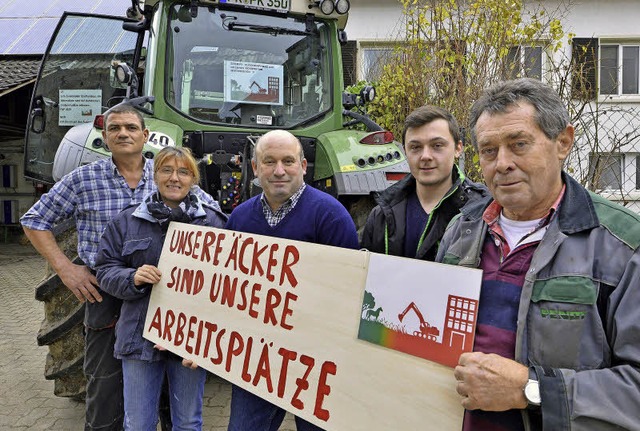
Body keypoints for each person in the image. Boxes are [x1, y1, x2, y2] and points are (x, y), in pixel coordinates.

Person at [435, 78, 640, 430]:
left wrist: (531, 390)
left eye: (519, 145)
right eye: (488, 150)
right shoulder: (460, 230)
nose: (502, 163)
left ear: (563, 142)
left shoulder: (622, 245)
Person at [20, 102, 219, 430]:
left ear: (145, 135)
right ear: (104, 136)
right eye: (115, 128)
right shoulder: (83, 178)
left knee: (174, 387)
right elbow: (34, 220)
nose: (123, 134)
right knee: (105, 384)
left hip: (164, 292)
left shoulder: (166, 173)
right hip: (104, 290)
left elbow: (212, 215)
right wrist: (66, 270)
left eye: (130, 128)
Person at [225, 129, 359, 431]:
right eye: (269, 162)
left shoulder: (331, 216)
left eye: (288, 161)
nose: (279, 170)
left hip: (315, 360)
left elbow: (348, 291)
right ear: (256, 168)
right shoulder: (240, 219)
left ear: (303, 166)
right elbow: (228, 290)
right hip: (255, 358)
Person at [95, 146, 226, 430]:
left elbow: (227, 286)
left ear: (193, 179)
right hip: (138, 338)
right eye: (166, 170)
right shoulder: (127, 221)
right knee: (139, 423)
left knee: (188, 423)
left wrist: (208, 341)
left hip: (192, 340)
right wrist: (132, 277)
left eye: (183, 172)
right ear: (154, 176)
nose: (174, 178)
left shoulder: (214, 223)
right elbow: (105, 269)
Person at [360, 105, 487, 259]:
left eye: (437, 145)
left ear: (458, 148)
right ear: (405, 151)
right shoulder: (381, 215)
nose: (425, 156)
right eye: (415, 147)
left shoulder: (480, 211)